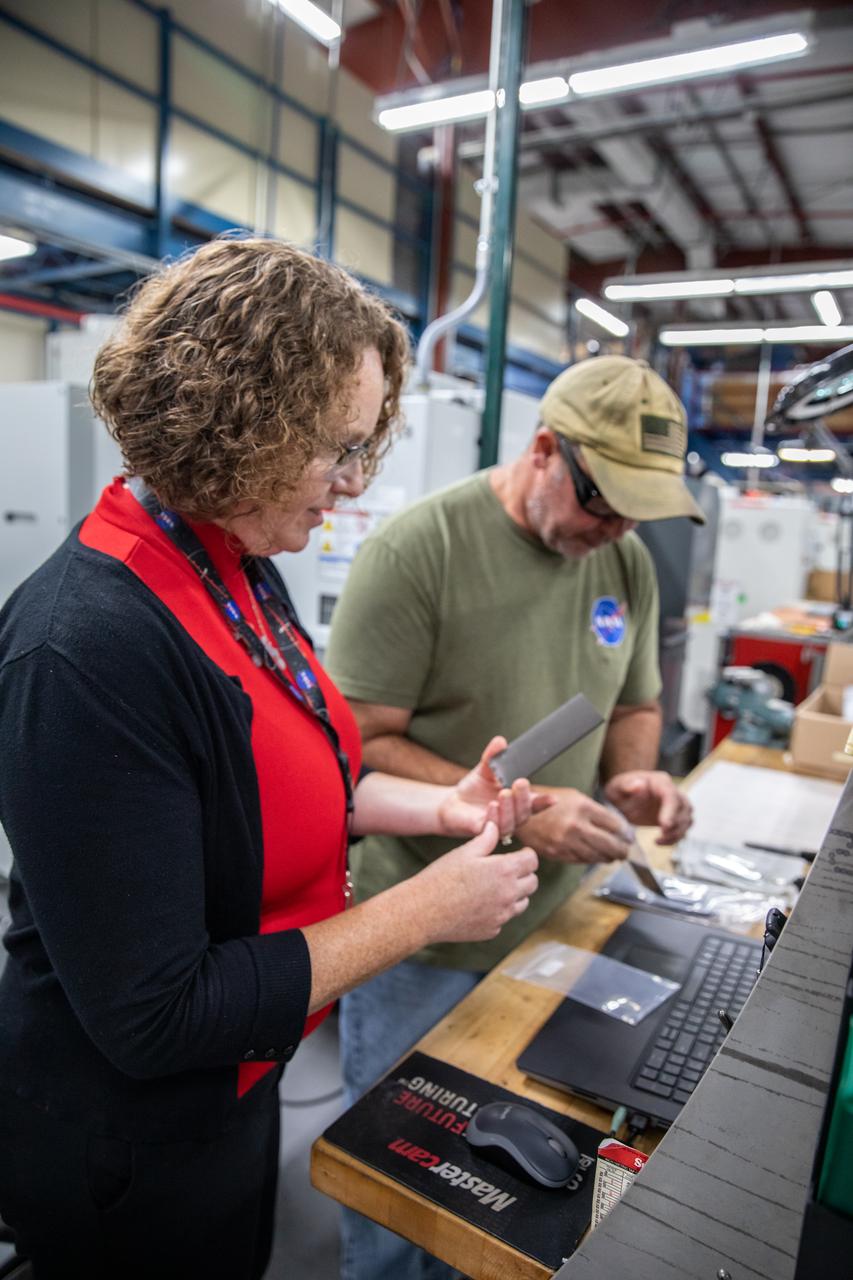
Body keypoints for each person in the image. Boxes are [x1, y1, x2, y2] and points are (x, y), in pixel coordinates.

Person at [0, 238, 547, 1280]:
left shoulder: (236, 562)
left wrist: (435, 809)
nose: (348, 483)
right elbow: (157, 1012)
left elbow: (277, 781)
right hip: (122, 1138)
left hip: (237, 1081)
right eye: (334, 448)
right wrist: (428, 909)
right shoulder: (84, 649)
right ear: (236, 428)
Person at [325, 353, 702, 1280]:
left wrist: (634, 780)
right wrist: (518, 815)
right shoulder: (419, 551)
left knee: (493, 1207)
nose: (614, 530)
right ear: (543, 451)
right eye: (602, 503)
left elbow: (637, 702)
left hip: (556, 928)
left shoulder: (623, 559)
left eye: (632, 514)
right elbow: (355, 747)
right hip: (425, 940)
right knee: (396, 1199)